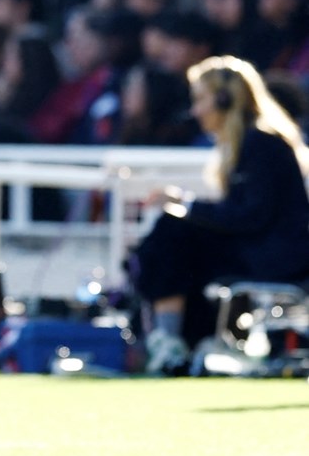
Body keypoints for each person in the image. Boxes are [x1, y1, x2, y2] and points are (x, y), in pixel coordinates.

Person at [127, 55, 309, 375]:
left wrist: (187, 204)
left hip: (275, 258)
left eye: (200, 100)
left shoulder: (261, 142)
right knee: (175, 233)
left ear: (224, 99)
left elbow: (250, 216)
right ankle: (174, 338)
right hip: (262, 251)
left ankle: (168, 340)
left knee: (173, 230)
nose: (196, 111)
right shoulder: (251, 142)